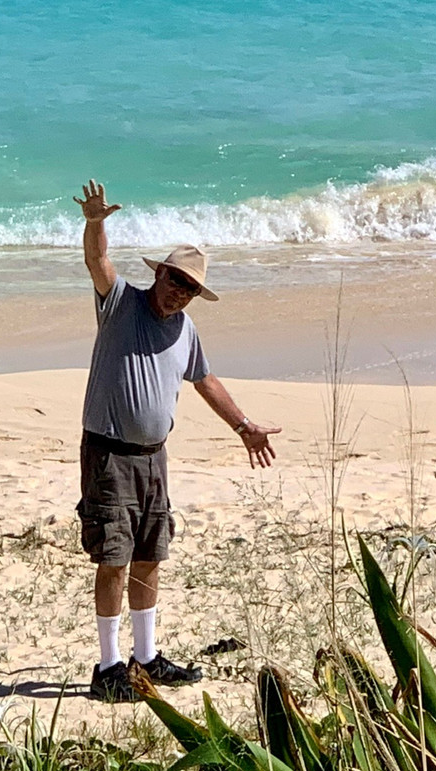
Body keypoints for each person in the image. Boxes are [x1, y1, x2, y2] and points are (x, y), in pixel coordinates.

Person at [73, 179, 281, 703]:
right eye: (175, 280)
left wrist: (243, 426)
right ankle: (109, 668)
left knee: (150, 554)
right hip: (110, 454)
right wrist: (96, 221)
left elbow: (205, 380)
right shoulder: (120, 303)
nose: (179, 292)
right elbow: (99, 263)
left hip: (153, 459)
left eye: (189, 288)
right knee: (114, 557)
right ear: (158, 273)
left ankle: (146, 659)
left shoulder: (185, 330)